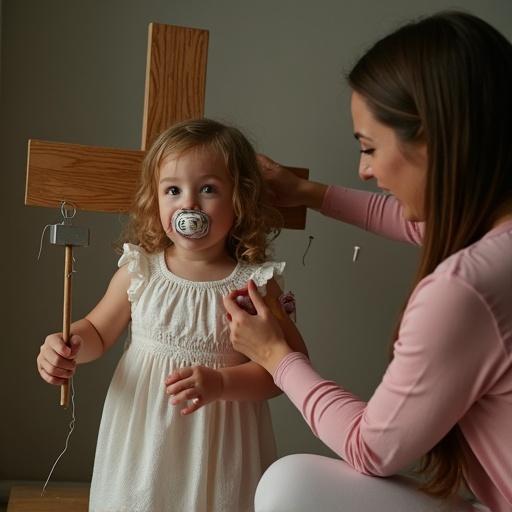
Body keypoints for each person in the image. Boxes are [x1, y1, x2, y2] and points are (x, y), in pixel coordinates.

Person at [223, 11, 512, 512]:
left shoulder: (464, 290)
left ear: (436, 140)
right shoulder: (495, 241)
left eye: (370, 147)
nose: (364, 168)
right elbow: (413, 221)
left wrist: (277, 357)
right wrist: (308, 194)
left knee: (287, 485)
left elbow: (369, 448)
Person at [36, 118, 307, 512]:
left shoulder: (255, 285)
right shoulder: (140, 270)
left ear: (239, 198)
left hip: (220, 444)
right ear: (156, 199)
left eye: (208, 189)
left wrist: (220, 384)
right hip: (143, 439)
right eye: (173, 190)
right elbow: (97, 329)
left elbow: (282, 373)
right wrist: (68, 345)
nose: (189, 205)